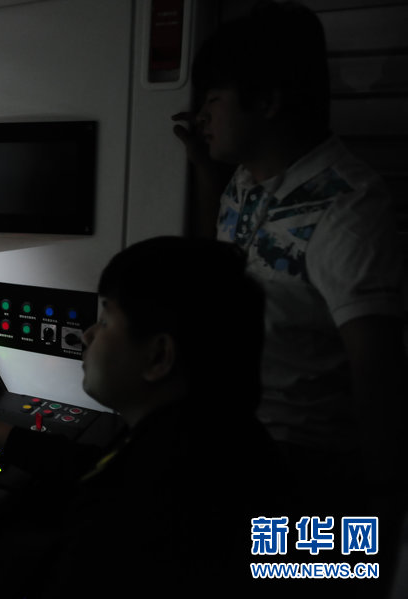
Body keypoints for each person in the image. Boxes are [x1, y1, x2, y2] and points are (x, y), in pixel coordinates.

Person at [0, 236, 288, 597]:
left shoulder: (131, 513)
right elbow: (96, 465)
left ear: (158, 357)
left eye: (105, 321)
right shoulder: (216, 434)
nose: (87, 335)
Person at [171, 1, 407, 512]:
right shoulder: (246, 176)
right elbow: (229, 259)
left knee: (289, 574)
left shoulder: (348, 206)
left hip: (304, 463)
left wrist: (382, 510)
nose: (201, 115)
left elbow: (377, 368)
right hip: (238, 434)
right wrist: (204, 170)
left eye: (214, 98)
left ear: (269, 101)